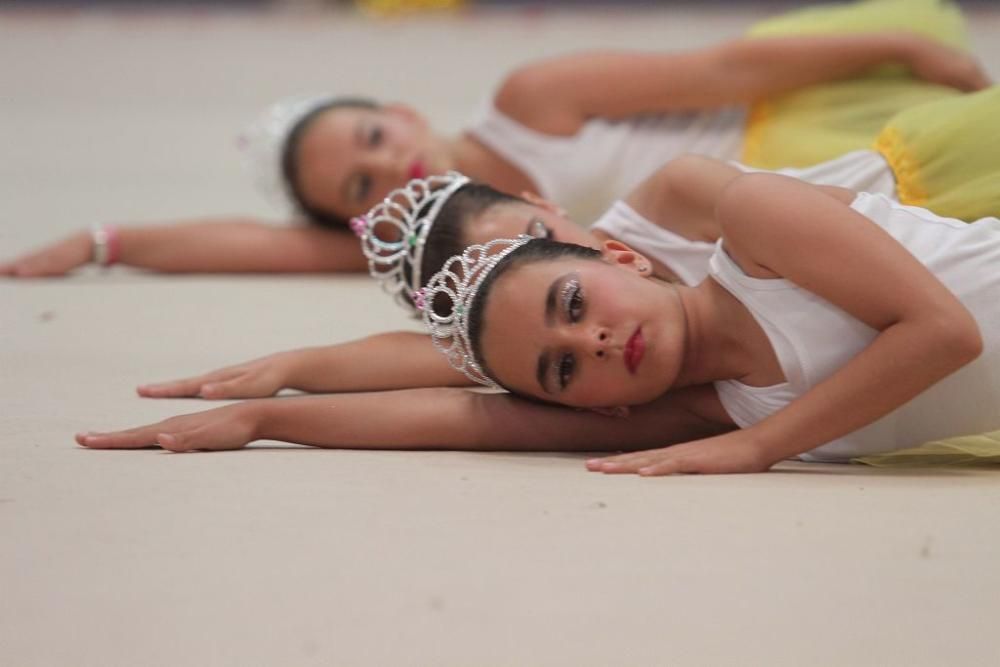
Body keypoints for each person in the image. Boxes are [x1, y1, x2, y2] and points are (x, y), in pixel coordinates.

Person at [76, 155, 1000, 470]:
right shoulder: (711, 409)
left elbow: (947, 336)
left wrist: (763, 450)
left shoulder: (757, 224)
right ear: (593, 408)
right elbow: (470, 418)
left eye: (572, 302)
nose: (590, 340)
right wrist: (269, 414)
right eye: (564, 367)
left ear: (622, 255)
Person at [3, 0, 989, 277]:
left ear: (396, 106)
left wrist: (896, 36)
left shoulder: (532, 97)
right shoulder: (455, 235)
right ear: (363, 214)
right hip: (768, 228)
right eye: (358, 182)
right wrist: (105, 241)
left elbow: (726, 70)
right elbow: (260, 246)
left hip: (787, 135)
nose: (386, 164)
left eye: (372, 134)